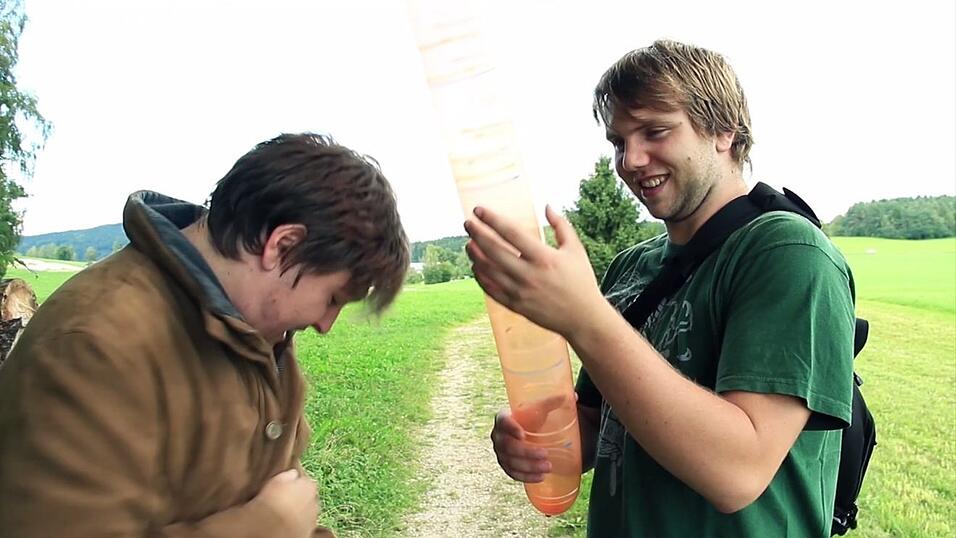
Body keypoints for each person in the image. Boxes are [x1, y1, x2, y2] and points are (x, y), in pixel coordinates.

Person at [466, 40, 855, 537]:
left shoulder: (787, 254)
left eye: (655, 131)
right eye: (617, 141)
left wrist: (585, 318)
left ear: (722, 130)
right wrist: (536, 438)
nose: (630, 159)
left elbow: (739, 471)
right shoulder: (634, 266)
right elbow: (598, 425)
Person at [0, 133, 409, 537]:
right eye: (333, 297)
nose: (326, 324)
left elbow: (279, 496)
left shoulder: (255, 335)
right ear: (283, 246)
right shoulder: (94, 345)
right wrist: (263, 531)